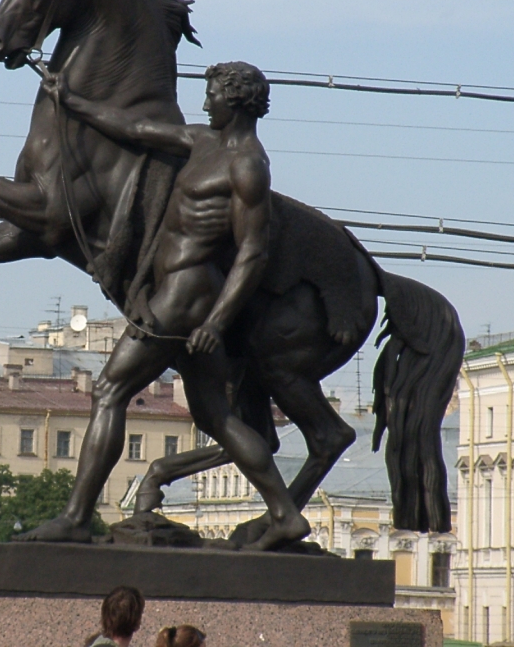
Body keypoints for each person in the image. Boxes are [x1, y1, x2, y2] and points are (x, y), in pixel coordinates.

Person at [17, 62, 308, 550]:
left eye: (213, 94)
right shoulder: (203, 142)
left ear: (235, 101)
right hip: (178, 291)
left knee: (109, 388)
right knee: (217, 416)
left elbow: (253, 251)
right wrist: (70, 99)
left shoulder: (247, 165)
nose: (205, 102)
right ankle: (285, 514)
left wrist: (217, 322)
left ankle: (74, 518)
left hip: (185, 294)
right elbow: (135, 128)